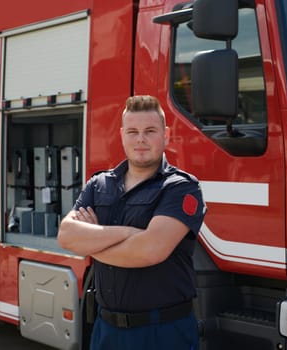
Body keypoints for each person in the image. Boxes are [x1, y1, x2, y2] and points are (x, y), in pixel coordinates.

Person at [57, 95, 206, 350]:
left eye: (150, 131)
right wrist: (129, 233)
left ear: (166, 135)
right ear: (122, 135)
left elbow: (150, 250)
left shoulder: (181, 188)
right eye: (133, 131)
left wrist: (91, 243)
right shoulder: (99, 184)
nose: (141, 139)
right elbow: (67, 236)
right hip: (106, 330)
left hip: (163, 333)